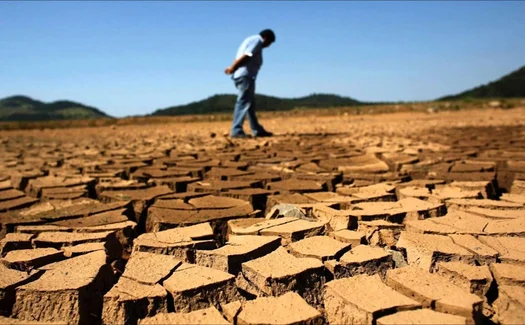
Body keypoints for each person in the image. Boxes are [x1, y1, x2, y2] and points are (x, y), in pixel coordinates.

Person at [224, 29, 276, 138]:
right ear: (266, 38)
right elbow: (247, 55)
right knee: (243, 102)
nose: (268, 46)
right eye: (269, 43)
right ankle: (236, 130)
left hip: (242, 75)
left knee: (249, 104)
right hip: (245, 76)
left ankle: (257, 129)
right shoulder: (257, 41)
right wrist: (233, 67)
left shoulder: (249, 40)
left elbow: (240, 56)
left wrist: (232, 67)